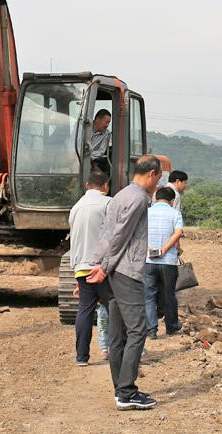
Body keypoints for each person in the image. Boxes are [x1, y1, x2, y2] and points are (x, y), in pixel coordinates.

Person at [86, 154, 163, 410]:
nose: (157, 183)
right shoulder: (139, 198)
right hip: (127, 272)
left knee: (117, 334)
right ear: (152, 174)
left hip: (114, 272)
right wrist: (104, 267)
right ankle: (127, 391)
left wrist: (98, 263)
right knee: (138, 330)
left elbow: (107, 234)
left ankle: (121, 390)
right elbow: (119, 237)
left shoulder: (121, 194)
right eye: (159, 178)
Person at [68, 170, 111, 366]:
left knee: (85, 310)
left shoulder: (76, 207)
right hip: (103, 268)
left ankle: (82, 357)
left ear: (87, 185)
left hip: (81, 268)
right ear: (106, 186)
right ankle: (122, 352)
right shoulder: (108, 203)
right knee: (116, 309)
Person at [144, 186, 184, 339]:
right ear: (172, 201)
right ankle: (171, 326)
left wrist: (150, 249)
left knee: (148, 295)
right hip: (168, 262)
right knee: (169, 294)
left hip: (148, 260)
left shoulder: (146, 213)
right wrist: (164, 249)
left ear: (155, 199)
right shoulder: (175, 214)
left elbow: (139, 233)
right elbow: (178, 233)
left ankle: (151, 329)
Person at [88, 109, 112, 175]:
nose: (107, 125)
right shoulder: (83, 127)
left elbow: (101, 151)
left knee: (100, 177)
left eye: (109, 123)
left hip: (93, 161)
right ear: (97, 120)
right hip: (76, 157)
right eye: (106, 122)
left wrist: (87, 157)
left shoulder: (107, 134)